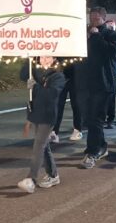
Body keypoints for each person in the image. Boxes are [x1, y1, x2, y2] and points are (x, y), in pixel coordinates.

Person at [18, 56, 66, 193]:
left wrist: (35, 86)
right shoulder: (36, 70)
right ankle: (53, 175)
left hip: (48, 115)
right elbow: (23, 75)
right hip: (36, 113)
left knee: (38, 146)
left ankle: (31, 179)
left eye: (48, 56)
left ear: (54, 58)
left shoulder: (58, 76)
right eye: (42, 56)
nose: (44, 59)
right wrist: (28, 59)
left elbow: (51, 94)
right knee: (43, 146)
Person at [80, 7, 116, 169]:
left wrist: (96, 36)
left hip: (103, 83)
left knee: (96, 118)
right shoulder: (86, 35)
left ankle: (93, 151)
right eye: (91, 18)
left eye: (97, 18)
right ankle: (101, 145)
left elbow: (112, 52)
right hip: (88, 82)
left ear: (103, 18)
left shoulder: (110, 34)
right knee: (89, 118)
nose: (93, 21)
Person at [53, 60, 83, 142]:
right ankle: (54, 131)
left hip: (76, 74)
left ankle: (78, 129)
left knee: (76, 103)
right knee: (58, 103)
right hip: (61, 73)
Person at [104, 19, 116, 129]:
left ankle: (111, 118)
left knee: (111, 96)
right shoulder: (102, 36)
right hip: (105, 69)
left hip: (112, 69)